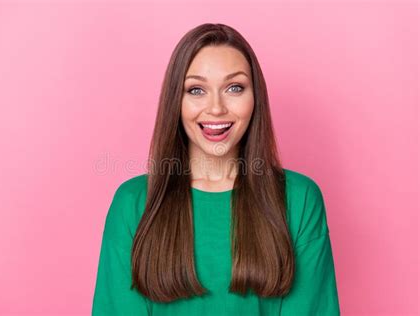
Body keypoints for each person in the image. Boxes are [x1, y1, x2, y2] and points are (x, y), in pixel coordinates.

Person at [92, 23, 340, 315]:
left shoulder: (299, 200)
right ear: (176, 101)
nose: (216, 108)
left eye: (234, 87)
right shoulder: (133, 203)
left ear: (255, 98)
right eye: (196, 90)